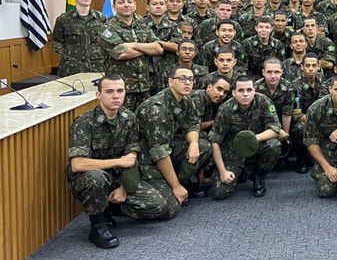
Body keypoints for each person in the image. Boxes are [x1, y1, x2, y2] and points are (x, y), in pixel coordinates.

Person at [67, 74, 177, 249]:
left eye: (120, 91)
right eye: (109, 92)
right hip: (88, 179)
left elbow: (132, 155)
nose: (116, 96)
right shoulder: (84, 122)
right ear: (98, 95)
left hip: (118, 178)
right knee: (96, 177)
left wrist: (125, 187)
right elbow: (78, 164)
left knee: (160, 206)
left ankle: (110, 207)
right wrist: (118, 161)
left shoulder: (129, 118)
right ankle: (97, 227)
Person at [135, 66, 212, 209]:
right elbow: (159, 152)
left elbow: (193, 125)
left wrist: (194, 144)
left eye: (190, 79)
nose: (187, 83)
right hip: (147, 160)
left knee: (204, 145)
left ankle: (179, 182)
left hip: (168, 148)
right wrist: (175, 186)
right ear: (170, 82)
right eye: (182, 79)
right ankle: (173, 185)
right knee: (169, 207)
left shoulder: (185, 100)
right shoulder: (156, 108)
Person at [208, 75, 281, 200]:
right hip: (233, 149)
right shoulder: (225, 109)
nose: (245, 94)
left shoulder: (264, 102)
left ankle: (259, 176)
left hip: (258, 142)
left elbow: (275, 129)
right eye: (241, 91)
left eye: (249, 90)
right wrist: (222, 171)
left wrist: (252, 139)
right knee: (219, 192)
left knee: (274, 145)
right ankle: (240, 171)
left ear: (254, 90)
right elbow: (215, 140)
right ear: (234, 93)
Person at [99, 0, 163, 112]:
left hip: (144, 86)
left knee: (144, 122)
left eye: (129, 2)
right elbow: (121, 53)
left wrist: (132, 45)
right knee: (123, 124)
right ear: (114, 7)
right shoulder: (106, 28)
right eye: (121, 2)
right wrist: (147, 49)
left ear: (134, 5)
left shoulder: (142, 25)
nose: (126, 5)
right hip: (120, 89)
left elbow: (158, 48)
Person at [53, 0, 108, 76]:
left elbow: (107, 40)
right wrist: (68, 55)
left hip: (98, 64)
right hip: (72, 66)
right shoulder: (64, 19)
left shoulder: (101, 18)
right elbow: (57, 42)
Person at [138, 0, 182, 94]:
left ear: (166, 6)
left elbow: (177, 47)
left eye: (161, 4)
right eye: (154, 4)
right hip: (144, 74)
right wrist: (166, 44)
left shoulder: (173, 26)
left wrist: (157, 43)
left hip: (166, 73)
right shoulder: (139, 25)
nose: (158, 6)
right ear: (148, 7)